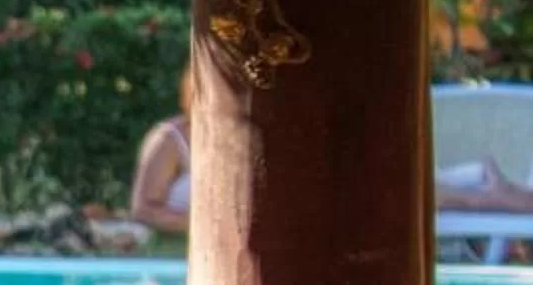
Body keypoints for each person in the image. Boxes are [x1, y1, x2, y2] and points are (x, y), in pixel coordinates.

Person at [132, 68, 533, 233]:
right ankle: (491, 190)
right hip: (209, 250)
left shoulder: (249, 138)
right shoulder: (171, 138)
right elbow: (144, 208)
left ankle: (492, 190)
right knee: (450, 192)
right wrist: (208, 233)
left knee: (444, 191)